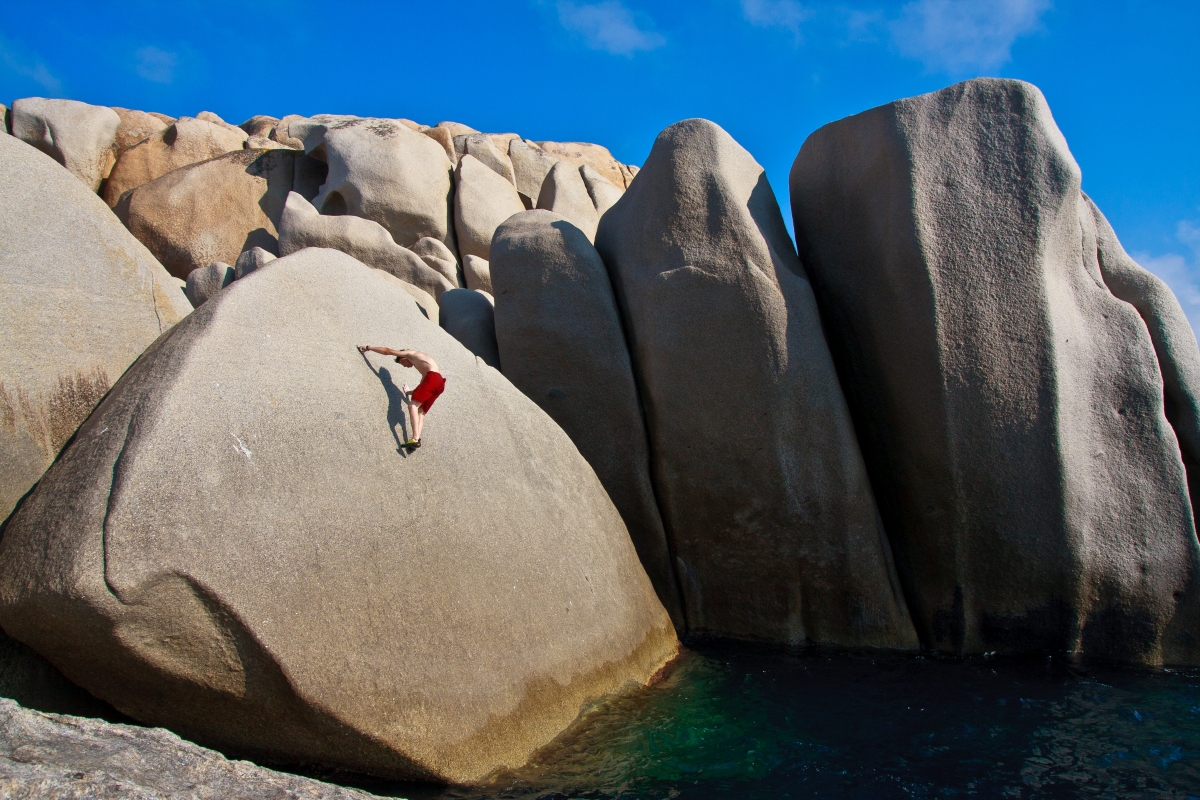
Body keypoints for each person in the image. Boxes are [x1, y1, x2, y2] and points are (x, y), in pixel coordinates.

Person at [357, 346, 445, 452]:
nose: (405, 366)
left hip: (433, 379)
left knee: (412, 405)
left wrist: (368, 347)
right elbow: (424, 386)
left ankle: (415, 439)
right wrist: (408, 392)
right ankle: (415, 442)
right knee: (420, 412)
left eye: (403, 364)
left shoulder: (410, 354)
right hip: (440, 383)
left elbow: (387, 351)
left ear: (403, 359)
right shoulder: (423, 364)